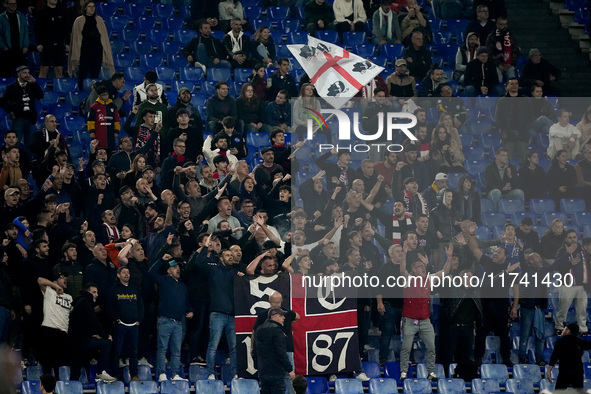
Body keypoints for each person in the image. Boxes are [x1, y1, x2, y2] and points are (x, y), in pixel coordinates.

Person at [398, 243, 453, 380]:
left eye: (423, 266)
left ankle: (431, 372)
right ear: (413, 270)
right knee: (406, 347)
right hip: (410, 319)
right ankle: (403, 372)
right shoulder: (409, 279)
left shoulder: (428, 279)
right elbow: (402, 270)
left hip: (425, 320)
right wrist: (404, 255)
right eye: (419, 266)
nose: (422, 268)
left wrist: (449, 257)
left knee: (431, 347)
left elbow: (445, 271)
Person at [149, 257, 192, 382]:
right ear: (168, 271)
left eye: (178, 267)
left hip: (178, 322)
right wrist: (161, 260)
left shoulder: (183, 286)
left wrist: (190, 310)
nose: (177, 269)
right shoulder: (164, 280)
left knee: (176, 351)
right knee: (162, 349)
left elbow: (186, 301)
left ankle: (175, 374)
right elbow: (151, 273)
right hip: (165, 320)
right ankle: (161, 374)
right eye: (174, 267)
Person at [252, 292, 300, 394]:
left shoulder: (262, 315)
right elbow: (298, 317)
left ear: (269, 301)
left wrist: (253, 349)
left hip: (269, 354)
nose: (283, 318)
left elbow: (254, 333)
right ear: (281, 301)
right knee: (288, 378)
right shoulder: (288, 313)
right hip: (285, 350)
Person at [68, 283, 116, 383]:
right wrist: (105, 335)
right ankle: (100, 372)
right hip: (80, 342)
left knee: (75, 373)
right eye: (94, 292)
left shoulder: (79, 302)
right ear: (87, 292)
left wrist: (91, 334)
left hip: (75, 342)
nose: (97, 295)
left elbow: (81, 323)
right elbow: (93, 321)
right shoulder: (85, 302)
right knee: (106, 343)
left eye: (97, 292)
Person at [68, 0, 115, 87]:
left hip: (97, 51)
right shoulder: (79, 21)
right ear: (85, 8)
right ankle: (81, 91)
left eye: (93, 6)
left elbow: (104, 38)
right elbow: (76, 38)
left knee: (95, 74)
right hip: (84, 51)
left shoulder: (99, 20)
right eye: (89, 6)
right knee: (82, 74)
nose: (92, 8)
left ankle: (93, 93)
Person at [37, 272, 72, 376]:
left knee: (60, 365)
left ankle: (58, 389)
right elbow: (40, 280)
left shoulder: (69, 297)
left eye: (65, 277)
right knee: (47, 363)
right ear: (55, 281)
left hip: (63, 333)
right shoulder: (49, 292)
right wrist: (55, 286)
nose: (65, 279)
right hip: (49, 329)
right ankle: (47, 389)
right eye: (61, 278)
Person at [2, 66, 44, 149]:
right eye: (24, 73)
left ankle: (29, 161)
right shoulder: (11, 87)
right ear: (19, 74)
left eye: (28, 73)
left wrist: (35, 83)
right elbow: (3, 102)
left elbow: (40, 96)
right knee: (15, 142)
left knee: (30, 143)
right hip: (18, 118)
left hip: (30, 118)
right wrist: (10, 111)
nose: (27, 75)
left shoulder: (31, 85)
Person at [547, 323, 591, 389]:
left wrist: (549, 371)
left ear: (568, 331)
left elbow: (554, 357)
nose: (562, 331)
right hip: (577, 372)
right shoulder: (579, 342)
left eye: (564, 329)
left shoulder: (560, 342)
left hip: (564, 372)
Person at [34, 0, 67, 78]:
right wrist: (39, 43)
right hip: (46, 44)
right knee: (44, 69)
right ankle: (40, 89)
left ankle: (59, 89)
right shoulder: (41, 12)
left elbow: (65, 29)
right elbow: (37, 29)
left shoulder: (62, 12)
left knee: (59, 70)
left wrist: (67, 42)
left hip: (59, 45)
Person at [485, 17, 520, 82]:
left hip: (509, 64)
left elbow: (515, 51)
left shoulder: (511, 36)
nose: (504, 26)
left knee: (512, 78)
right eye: (502, 24)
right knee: (498, 78)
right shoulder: (492, 37)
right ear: (497, 25)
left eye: (505, 24)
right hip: (496, 65)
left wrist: (509, 63)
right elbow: (490, 53)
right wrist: (498, 64)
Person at [87, 86, 121, 152]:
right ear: (99, 95)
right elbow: (90, 121)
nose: (105, 97)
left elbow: (117, 120)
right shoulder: (94, 107)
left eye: (106, 94)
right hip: (98, 134)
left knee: (110, 152)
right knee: (99, 151)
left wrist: (116, 131)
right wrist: (91, 131)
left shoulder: (113, 106)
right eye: (103, 95)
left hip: (110, 135)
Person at [0, 0, 28, 77]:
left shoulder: (21, 16)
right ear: (6, 5)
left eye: (15, 3)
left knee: (23, 74)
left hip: (19, 49)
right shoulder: (1, 17)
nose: (13, 5)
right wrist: (4, 47)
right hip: (7, 50)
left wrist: (25, 45)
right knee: (5, 73)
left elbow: (25, 31)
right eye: (11, 4)